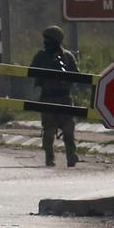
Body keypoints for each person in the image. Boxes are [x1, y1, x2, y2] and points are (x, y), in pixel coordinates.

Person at [29, 25, 79, 167]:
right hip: (48, 97)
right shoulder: (41, 56)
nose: (46, 43)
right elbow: (31, 71)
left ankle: (71, 154)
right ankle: (49, 157)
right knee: (49, 130)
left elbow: (77, 75)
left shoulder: (68, 57)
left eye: (49, 40)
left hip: (64, 97)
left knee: (68, 128)